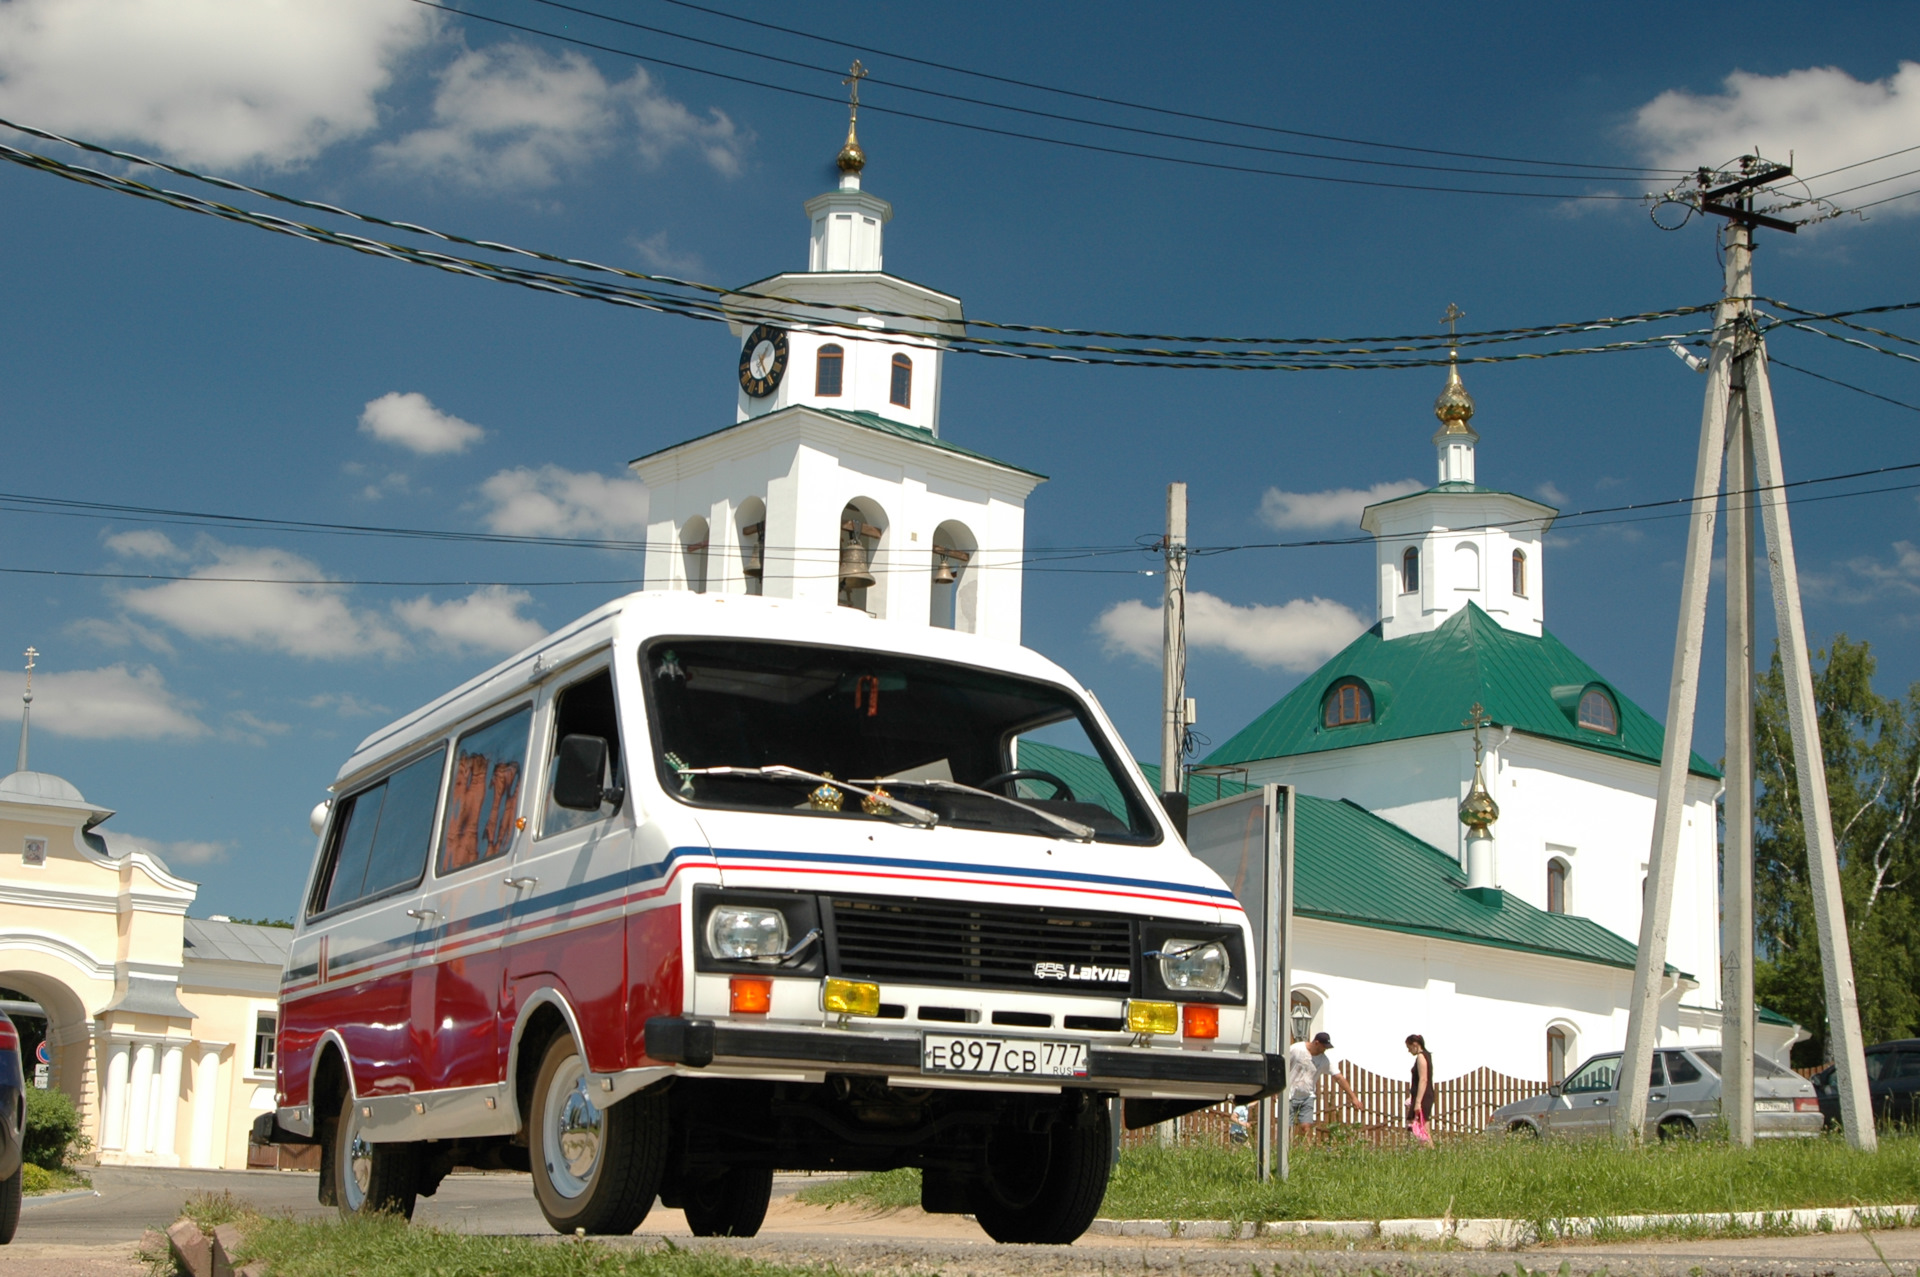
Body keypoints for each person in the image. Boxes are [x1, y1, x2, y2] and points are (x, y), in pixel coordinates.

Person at [1286, 1031, 1359, 1137]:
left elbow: (1338, 1077)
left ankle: (1306, 1152)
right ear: (1316, 1043)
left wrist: (1353, 1098)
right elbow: (1281, 1064)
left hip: (1307, 1096)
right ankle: (1285, 1150)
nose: (1325, 1049)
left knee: (1306, 1127)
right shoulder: (1296, 1049)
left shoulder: (1324, 1060)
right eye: (1324, 1046)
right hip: (1289, 1095)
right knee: (1286, 1127)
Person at [1405, 1033, 1437, 1146]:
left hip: (1423, 1097)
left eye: (1409, 1048)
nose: (1408, 1051)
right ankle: (1429, 1155)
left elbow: (1423, 1079)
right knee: (1422, 1128)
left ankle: (1431, 1155)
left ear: (1415, 1045)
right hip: (1424, 1096)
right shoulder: (1427, 1055)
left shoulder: (1421, 1057)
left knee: (1422, 1129)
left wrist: (1418, 1102)